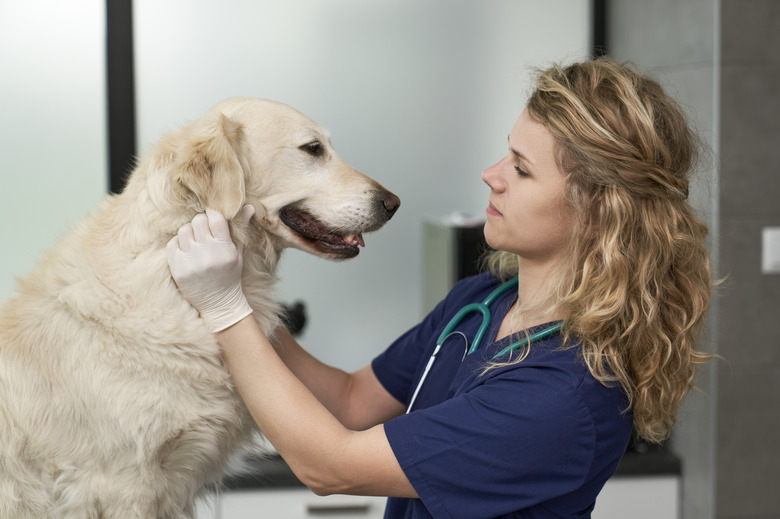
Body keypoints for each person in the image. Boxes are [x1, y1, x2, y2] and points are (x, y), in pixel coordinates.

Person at [167, 57, 713, 518]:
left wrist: (226, 308)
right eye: (507, 152)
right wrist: (246, 299)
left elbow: (330, 465)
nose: (490, 174)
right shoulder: (481, 302)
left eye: (521, 170)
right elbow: (351, 402)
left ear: (597, 213)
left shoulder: (564, 395)